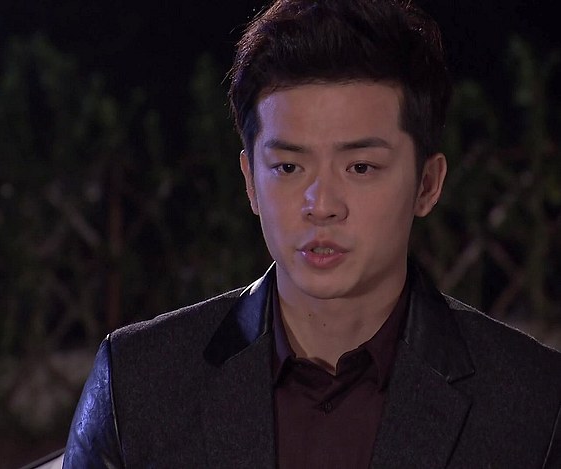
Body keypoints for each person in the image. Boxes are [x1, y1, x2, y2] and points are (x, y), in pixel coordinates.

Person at [62, 0, 561, 467]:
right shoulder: (136, 386)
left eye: (361, 167)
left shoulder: (535, 404)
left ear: (427, 184)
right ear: (250, 182)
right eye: (288, 168)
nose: (321, 206)